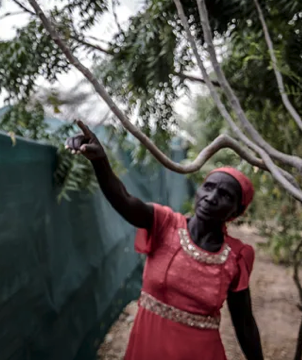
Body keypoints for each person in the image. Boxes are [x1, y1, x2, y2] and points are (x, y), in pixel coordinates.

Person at [65, 121, 264, 360]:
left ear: (235, 211)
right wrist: (100, 161)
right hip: (147, 347)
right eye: (208, 188)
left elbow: (244, 323)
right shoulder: (165, 223)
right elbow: (124, 200)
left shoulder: (237, 256)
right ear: (199, 191)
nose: (211, 198)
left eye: (225, 195)